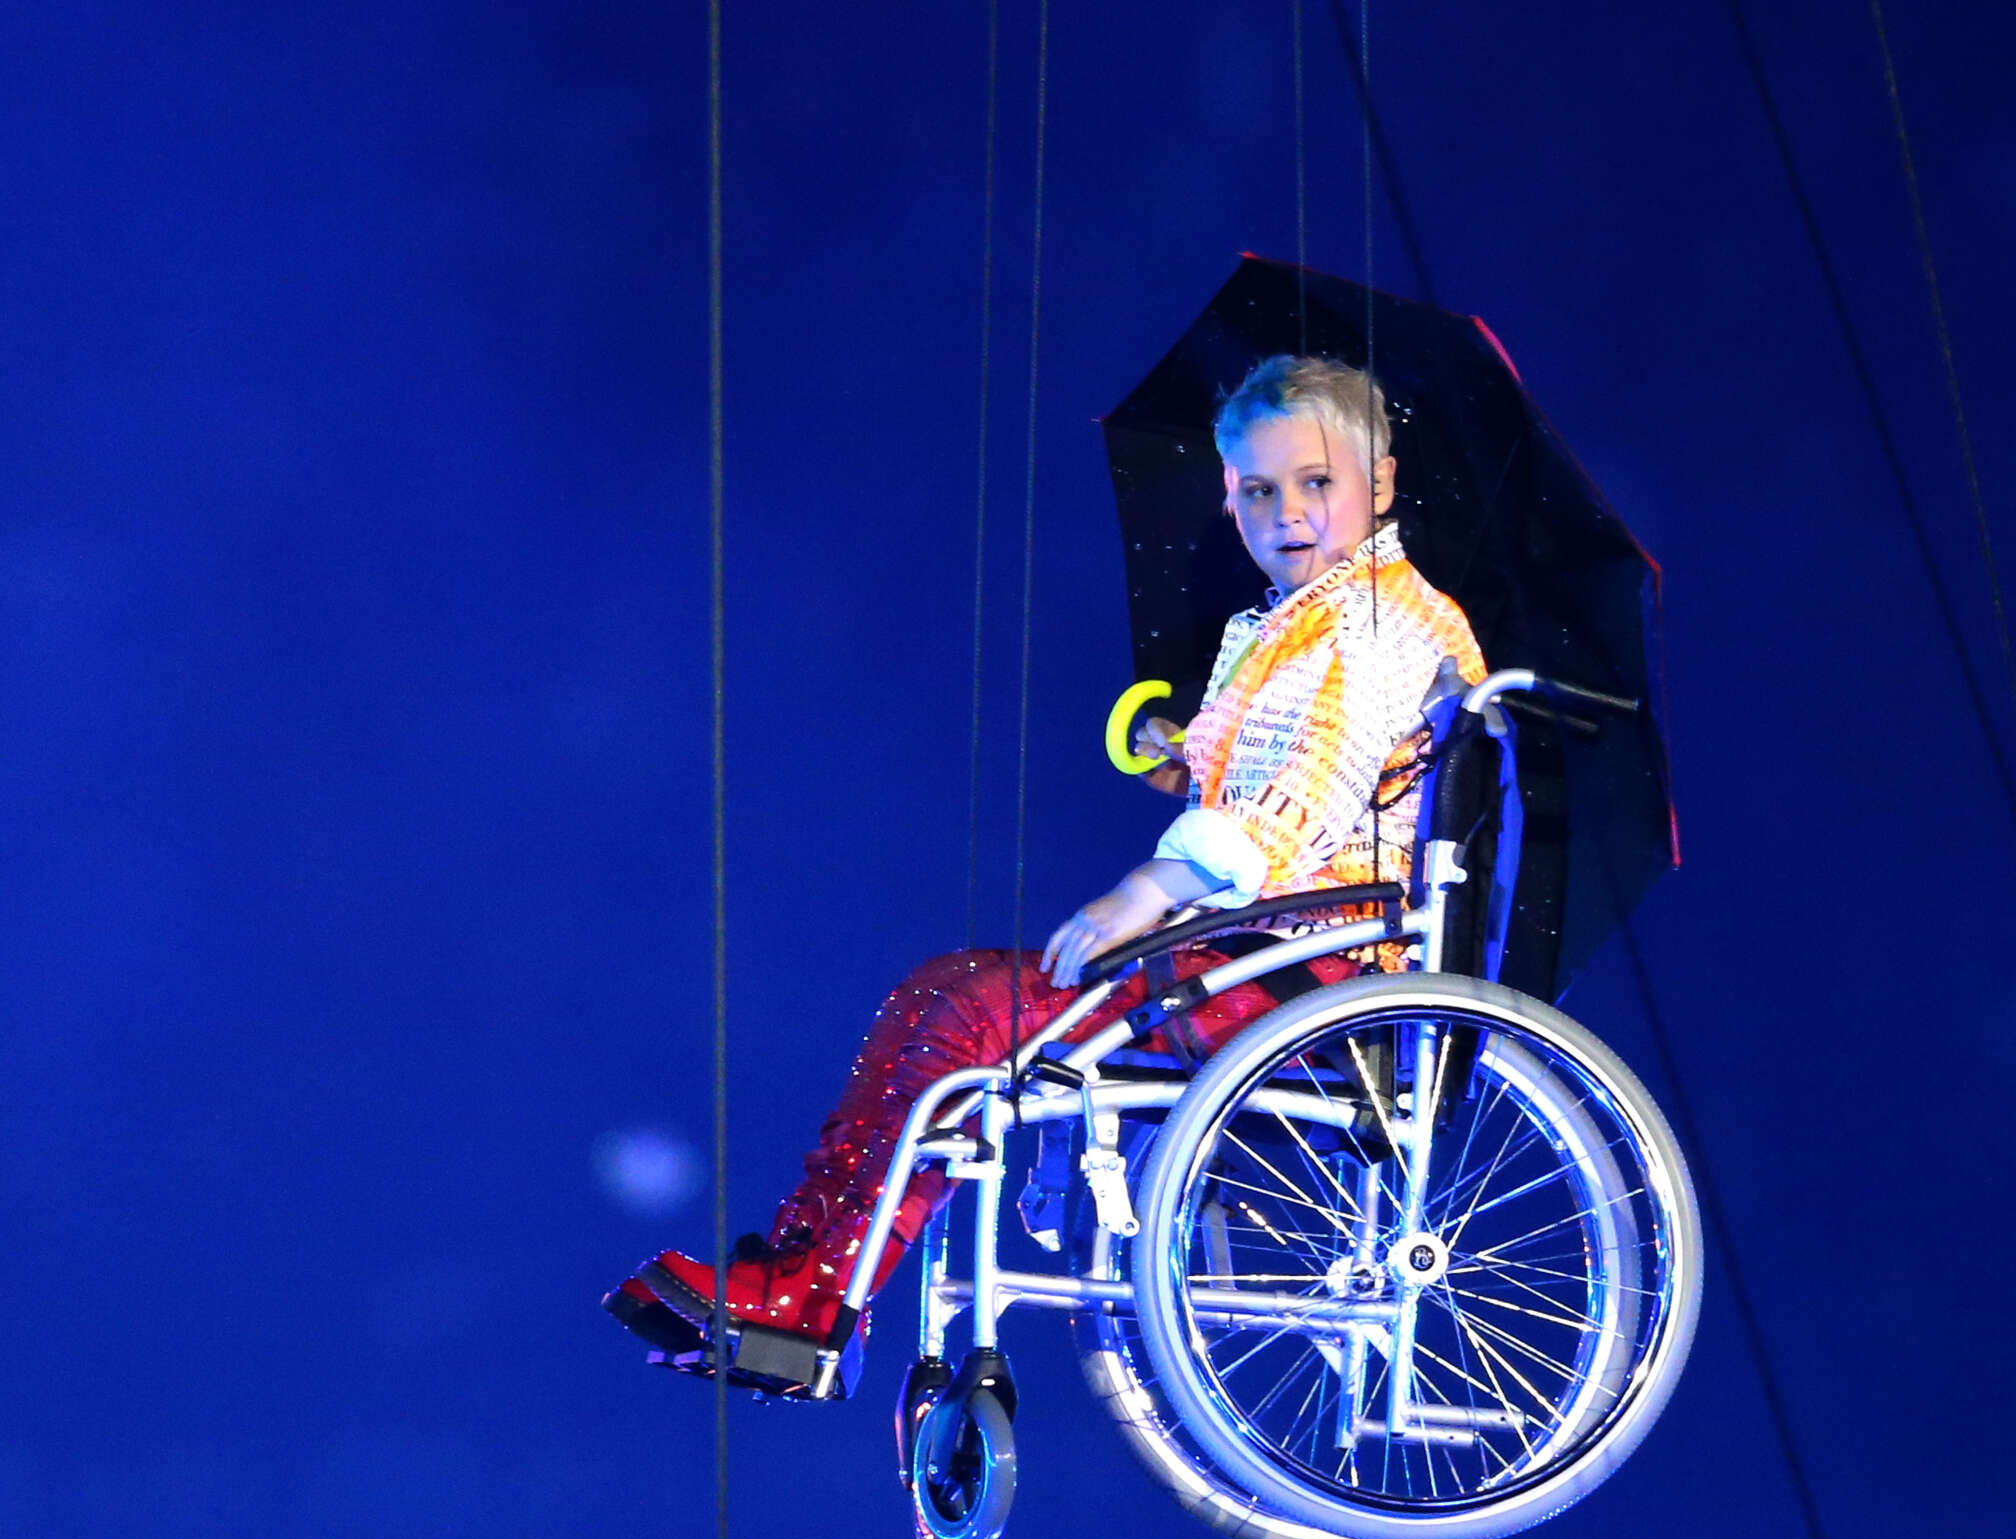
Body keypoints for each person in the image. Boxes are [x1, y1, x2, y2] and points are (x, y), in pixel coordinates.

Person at [605, 354, 1486, 1394]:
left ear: (1378, 485)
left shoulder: (1378, 619)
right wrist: (1169, 745)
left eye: (1315, 483)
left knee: (971, 1008)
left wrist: (1148, 890)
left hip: (1313, 970)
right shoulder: (1291, 621)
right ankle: (805, 1284)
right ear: (1227, 493)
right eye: (1257, 489)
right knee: (945, 993)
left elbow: (1304, 796)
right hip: (1264, 945)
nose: (1284, 511)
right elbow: (1255, 772)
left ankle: (812, 1298)